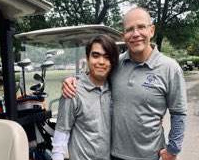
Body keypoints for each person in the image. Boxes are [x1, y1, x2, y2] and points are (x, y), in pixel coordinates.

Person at [62, 7, 187, 160]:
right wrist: (73, 79)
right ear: (124, 35)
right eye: (129, 29)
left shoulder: (170, 68)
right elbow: (94, 73)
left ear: (151, 30)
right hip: (113, 155)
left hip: (150, 155)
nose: (135, 34)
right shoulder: (116, 63)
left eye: (141, 27)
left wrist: (173, 150)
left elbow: (178, 113)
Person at [52, 34, 119, 160]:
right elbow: (60, 139)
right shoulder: (72, 91)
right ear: (87, 58)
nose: (101, 62)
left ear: (113, 61)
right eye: (95, 55)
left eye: (107, 57)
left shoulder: (116, 88)